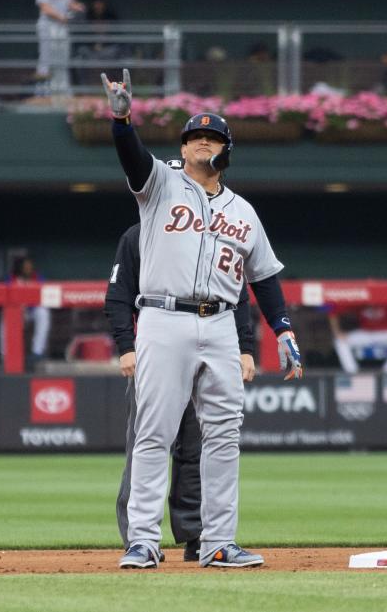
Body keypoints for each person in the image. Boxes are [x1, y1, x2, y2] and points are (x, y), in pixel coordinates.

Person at [101, 69, 303, 569]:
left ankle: (217, 541)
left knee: (224, 434)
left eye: (211, 138)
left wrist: (283, 329)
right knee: (154, 430)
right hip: (163, 318)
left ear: (225, 151)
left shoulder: (244, 211)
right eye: (194, 138)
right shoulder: (158, 184)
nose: (201, 144)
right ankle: (143, 540)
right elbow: (131, 155)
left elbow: (264, 278)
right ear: (183, 147)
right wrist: (123, 118)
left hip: (220, 323)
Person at [106, 217, 257, 563]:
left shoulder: (214, 232)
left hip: (210, 349)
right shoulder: (138, 234)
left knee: (197, 448)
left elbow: (237, 295)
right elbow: (118, 296)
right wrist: (127, 346)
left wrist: (244, 347)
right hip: (160, 349)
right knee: (148, 441)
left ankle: (198, 536)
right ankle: (139, 539)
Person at [34, 0, 84, 92]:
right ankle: (43, 91)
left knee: (63, 59)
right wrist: (62, 17)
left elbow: (69, 1)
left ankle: (61, 89)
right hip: (48, 24)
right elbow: (44, 7)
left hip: (62, 26)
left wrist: (76, 6)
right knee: (47, 59)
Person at [330, 306, 387, 373]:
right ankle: (353, 373)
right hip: (366, 333)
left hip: (386, 333)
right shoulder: (361, 298)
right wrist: (337, 332)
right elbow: (331, 308)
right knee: (339, 341)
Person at [11, 257, 52, 366]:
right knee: (7, 318)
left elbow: (44, 295)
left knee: (43, 313)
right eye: (25, 267)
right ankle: (5, 353)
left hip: (33, 310)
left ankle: (37, 352)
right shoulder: (12, 279)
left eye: (29, 267)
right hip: (17, 310)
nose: (28, 269)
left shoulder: (37, 278)